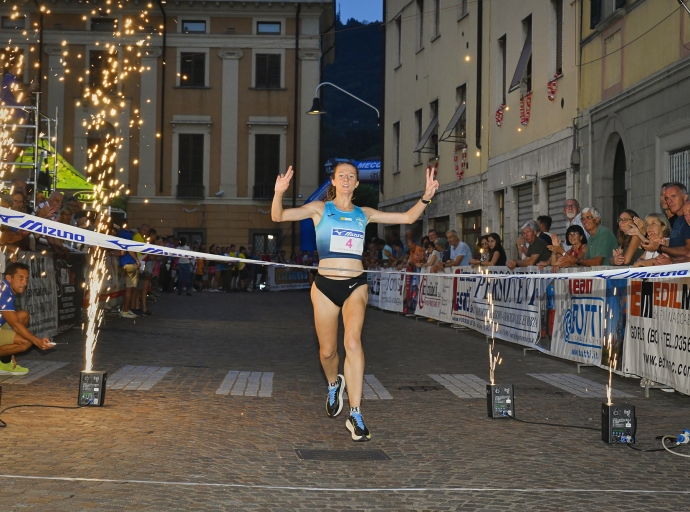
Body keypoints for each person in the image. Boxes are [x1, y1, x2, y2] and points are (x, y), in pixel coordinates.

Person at [271, 163, 438, 442]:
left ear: (357, 184)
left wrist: (426, 196)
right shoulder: (320, 209)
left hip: (355, 285)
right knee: (327, 352)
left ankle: (356, 413)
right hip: (324, 287)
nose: (347, 179)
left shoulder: (365, 214)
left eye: (352, 176)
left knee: (352, 343)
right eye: (341, 175)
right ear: (333, 182)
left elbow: (408, 218)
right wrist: (278, 193)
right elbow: (278, 217)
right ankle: (334, 383)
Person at [0, 262, 55, 375]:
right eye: (20, 278)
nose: (24, 283)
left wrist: (11, 354)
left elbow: (15, 321)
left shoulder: (6, 288)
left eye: (26, 279)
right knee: (26, 342)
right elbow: (14, 324)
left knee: (23, 315)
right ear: (9, 278)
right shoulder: (4, 294)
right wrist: (37, 341)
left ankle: (4, 362)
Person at [641, 184, 690, 260]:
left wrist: (659, 247)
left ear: (685, 197)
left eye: (673, 196)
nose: (669, 201)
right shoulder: (678, 221)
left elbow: (688, 251)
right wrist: (662, 243)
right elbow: (675, 248)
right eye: (667, 198)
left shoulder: (687, 219)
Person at [118, 227, 141, 318]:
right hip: (130, 264)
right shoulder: (127, 235)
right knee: (129, 288)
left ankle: (125, 309)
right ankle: (125, 310)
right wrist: (137, 260)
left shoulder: (119, 233)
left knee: (127, 288)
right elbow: (129, 248)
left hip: (122, 263)